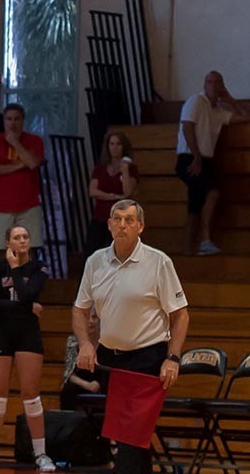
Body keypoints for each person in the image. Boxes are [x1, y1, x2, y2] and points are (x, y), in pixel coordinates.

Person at [74, 199, 189, 474]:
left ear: (141, 226)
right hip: (109, 360)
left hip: (147, 358)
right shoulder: (95, 261)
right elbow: (80, 309)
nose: (122, 225)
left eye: (129, 220)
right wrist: (85, 344)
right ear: (109, 224)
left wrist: (173, 358)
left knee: (130, 436)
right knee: (132, 438)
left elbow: (180, 314)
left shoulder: (159, 262)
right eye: (117, 219)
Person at [0, 226, 55, 471]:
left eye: (25, 237)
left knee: (31, 395)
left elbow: (29, 293)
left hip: (28, 334)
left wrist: (17, 269)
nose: (22, 241)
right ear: (8, 242)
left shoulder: (39, 267)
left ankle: (41, 454)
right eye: (16, 237)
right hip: (2, 332)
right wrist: (27, 307)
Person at [175, 71, 250, 255]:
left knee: (194, 208)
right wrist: (196, 157)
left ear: (222, 86)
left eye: (217, 82)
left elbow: (245, 117)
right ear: (204, 85)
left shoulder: (218, 112)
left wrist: (230, 100)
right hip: (190, 158)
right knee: (213, 193)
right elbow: (187, 126)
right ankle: (205, 240)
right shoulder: (196, 100)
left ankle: (188, 252)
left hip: (205, 160)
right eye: (209, 82)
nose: (213, 86)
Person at [0, 103, 45, 258]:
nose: (12, 123)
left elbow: (32, 163)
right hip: (0, 207)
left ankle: (28, 275)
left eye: (17, 119)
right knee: (2, 251)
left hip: (29, 206)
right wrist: (19, 165)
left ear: (23, 120)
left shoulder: (34, 140)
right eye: (9, 119)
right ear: (4, 121)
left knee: (29, 250)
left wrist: (15, 143)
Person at [86, 132, 138, 255]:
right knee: (91, 253)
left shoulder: (131, 169)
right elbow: (92, 191)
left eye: (118, 144)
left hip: (120, 220)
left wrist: (125, 170)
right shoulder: (100, 169)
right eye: (112, 144)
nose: (115, 148)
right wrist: (113, 196)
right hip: (100, 217)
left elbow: (127, 192)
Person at [59, 308, 101, 411]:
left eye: (94, 317)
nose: (91, 321)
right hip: (81, 383)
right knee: (68, 389)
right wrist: (88, 385)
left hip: (103, 383)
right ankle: (68, 419)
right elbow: (69, 374)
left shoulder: (107, 341)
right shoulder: (73, 341)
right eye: (87, 318)